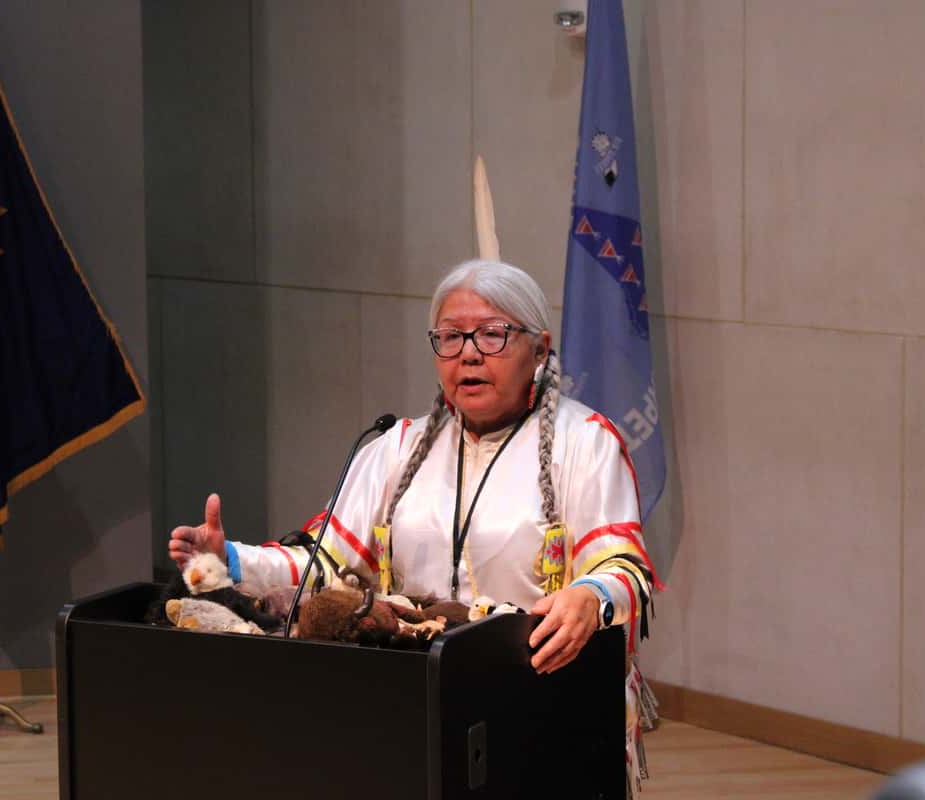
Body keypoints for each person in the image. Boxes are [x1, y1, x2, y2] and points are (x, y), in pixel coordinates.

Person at [169, 260, 658, 771]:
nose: (468, 354)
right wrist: (227, 558)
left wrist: (589, 595)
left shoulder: (586, 444)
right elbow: (326, 566)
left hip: (537, 698)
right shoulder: (395, 448)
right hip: (408, 697)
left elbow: (624, 570)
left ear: (539, 348)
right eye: (450, 337)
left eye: (492, 335)